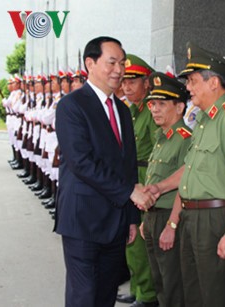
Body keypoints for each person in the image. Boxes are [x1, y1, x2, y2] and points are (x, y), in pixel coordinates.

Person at [141, 42, 225, 307]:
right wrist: (160, 188)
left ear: (213, 82)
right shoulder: (205, 119)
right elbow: (189, 170)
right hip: (192, 217)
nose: (188, 88)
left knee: (215, 295)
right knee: (193, 294)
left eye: (192, 81)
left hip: (216, 218)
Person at [54, 36, 155, 307]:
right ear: (90, 63)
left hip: (116, 221)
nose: (119, 70)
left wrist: (131, 217)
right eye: (111, 62)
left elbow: (128, 165)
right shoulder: (72, 106)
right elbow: (81, 162)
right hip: (82, 220)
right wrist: (129, 192)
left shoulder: (122, 110)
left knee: (105, 294)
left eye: (121, 63)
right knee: (84, 296)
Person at [140, 71, 191, 307]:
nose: (155, 109)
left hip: (169, 217)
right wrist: (145, 220)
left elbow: (185, 184)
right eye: (152, 104)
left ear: (180, 107)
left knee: (173, 284)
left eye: (162, 104)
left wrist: (172, 224)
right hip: (153, 217)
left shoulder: (185, 138)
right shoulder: (162, 136)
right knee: (159, 281)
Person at [116, 53, 158, 307]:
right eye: (125, 81)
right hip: (131, 178)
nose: (126, 86)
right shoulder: (130, 110)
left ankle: (147, 294)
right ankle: (136, 285)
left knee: (141, 241)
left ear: (147, 83)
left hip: (145, 178)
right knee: (130, 239)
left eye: (133, 81)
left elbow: (158, 153)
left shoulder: (152, 112)